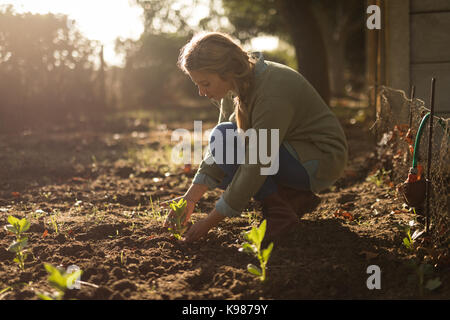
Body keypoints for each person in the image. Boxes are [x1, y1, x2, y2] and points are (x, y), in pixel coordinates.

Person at [164, 32, 348, 244]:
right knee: (224, 156)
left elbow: (257, 162)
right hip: (287, 152)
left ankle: (280, 214)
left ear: (226, 71)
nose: (201, 92)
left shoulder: (272, 92)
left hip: (320, 160)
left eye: (205, 83)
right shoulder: (235, 85)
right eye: (198, 85)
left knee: (225, 140)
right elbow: (221, 152)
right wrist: (189, 199)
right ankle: (292, 199)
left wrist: (208, 223)